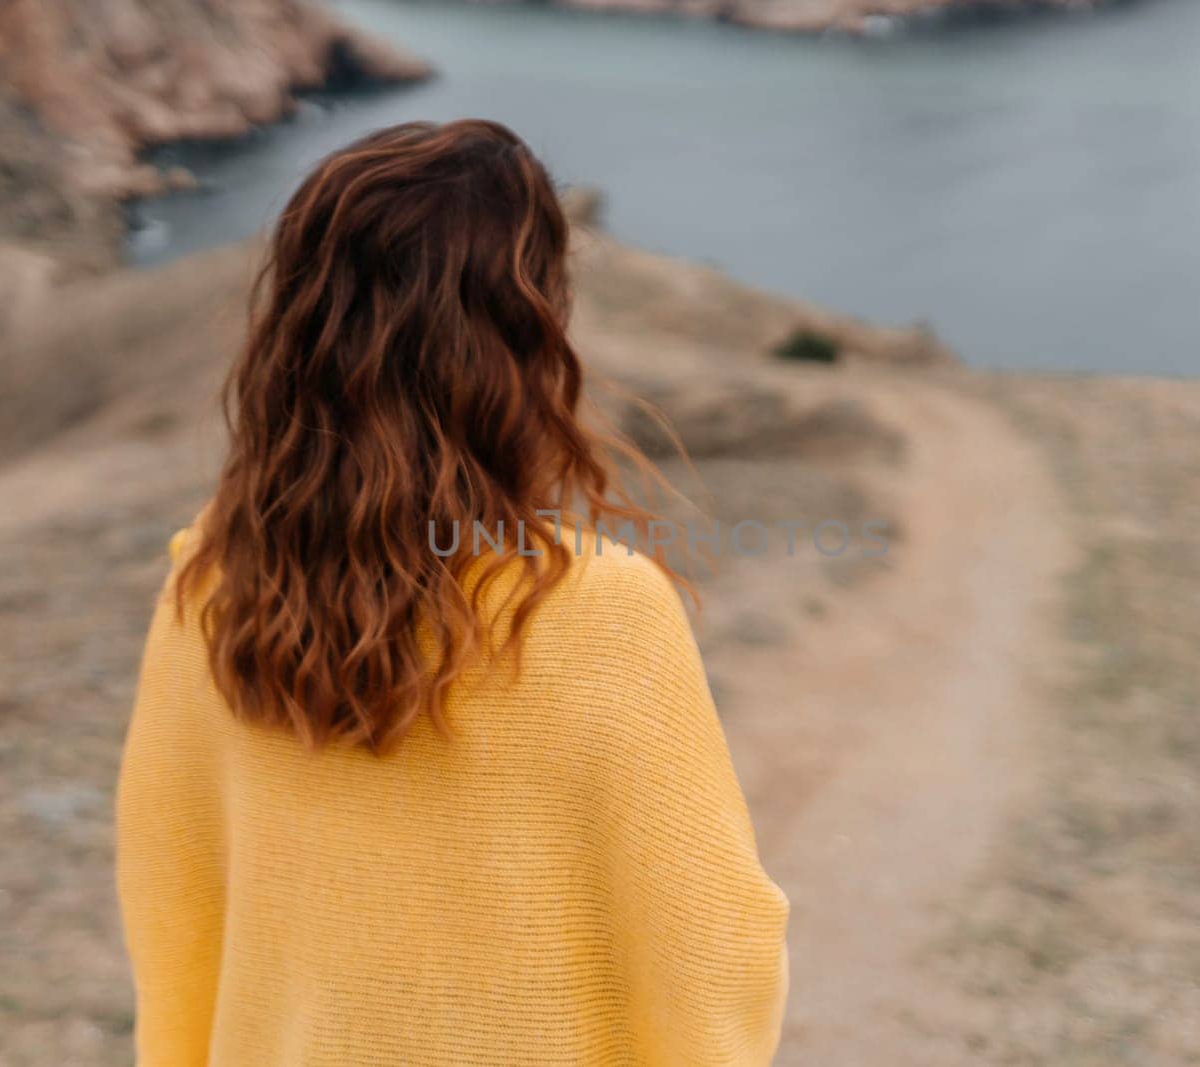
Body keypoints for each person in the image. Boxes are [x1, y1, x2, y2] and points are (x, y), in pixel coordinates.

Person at [115, 119, 789, 1066]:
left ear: (298, 333)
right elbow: (713, 951)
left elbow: (169, 902)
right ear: (529, 334)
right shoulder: (601, 609)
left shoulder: (208, 583)